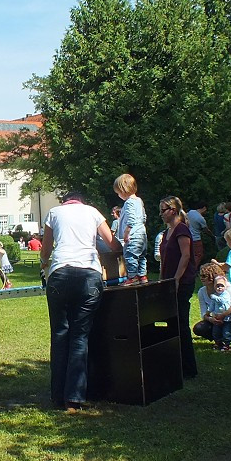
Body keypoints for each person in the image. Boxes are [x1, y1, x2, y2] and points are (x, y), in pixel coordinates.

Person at [41, 190, 120, 411]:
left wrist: (43, 262)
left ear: (65, 202)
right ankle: (74, 398)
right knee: (80, 337)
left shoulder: (54, 213)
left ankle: (57, 395)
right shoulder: (93, 212)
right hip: (89, 274)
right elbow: (113, 245)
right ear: (83, 201)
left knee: (59, 335)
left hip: (60, 273)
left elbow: (46, 250)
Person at [159, 197, 199, 379]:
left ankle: (188, 368)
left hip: (182, 282)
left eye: (163, 210)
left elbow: (186, 255)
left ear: (173, 210)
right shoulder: (167, 232)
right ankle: (175, 363)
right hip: (168, 281)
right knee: (170, 322)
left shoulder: (182, 229)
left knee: (181, 323)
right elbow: (165, 260)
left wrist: (176, 279)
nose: (161, 214)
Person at [193, 261, 231, 351]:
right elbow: (203, 313)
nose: (201, 278)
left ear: (212, 277)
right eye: (200, 275)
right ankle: (219, 341)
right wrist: (211, 319)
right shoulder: (202, 291)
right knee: (198, 328)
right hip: (215, 318)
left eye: (204, 276)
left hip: (229, 318)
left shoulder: (225, 286)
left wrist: (224, 314)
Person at [113, 173, 148, 285]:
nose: (118, 195)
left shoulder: (129, 203)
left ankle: (132, 277)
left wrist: (126, 233)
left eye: (118, 193)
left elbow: (131, 220)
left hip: (133, 235)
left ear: (123, 190)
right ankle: (142, 276)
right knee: (141, 256)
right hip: (142, 234)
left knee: (130, 256)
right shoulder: (139, 200)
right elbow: (143, 217)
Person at [186, 201, 208, 268]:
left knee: (188, 255)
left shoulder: (190, 212)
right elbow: (206, 229)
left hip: (187, 238)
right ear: (204, 208)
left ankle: (187, 267)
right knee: (198, 255)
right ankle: (192, 269)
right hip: (196, 239)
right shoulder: (201, 218)